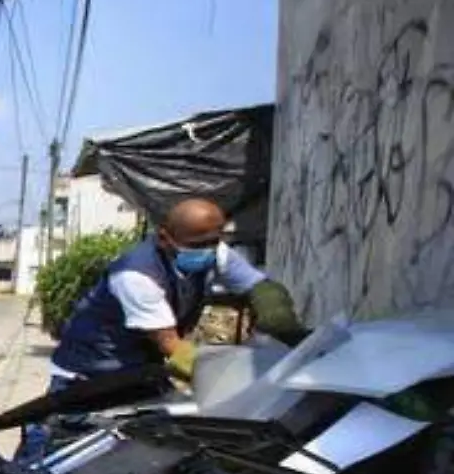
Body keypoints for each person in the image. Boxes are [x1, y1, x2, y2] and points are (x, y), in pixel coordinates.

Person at [26, 196, 305, 460]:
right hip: (88, 380)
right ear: (164, 238)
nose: (207, 251)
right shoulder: (136, 275)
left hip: (139, 377)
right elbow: (171, 346)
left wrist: (280, 319)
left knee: (141, 458)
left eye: (214, 241)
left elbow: (258, 286)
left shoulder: (213, 252)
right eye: (198, 245)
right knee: (55, 461)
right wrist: (236, 383)